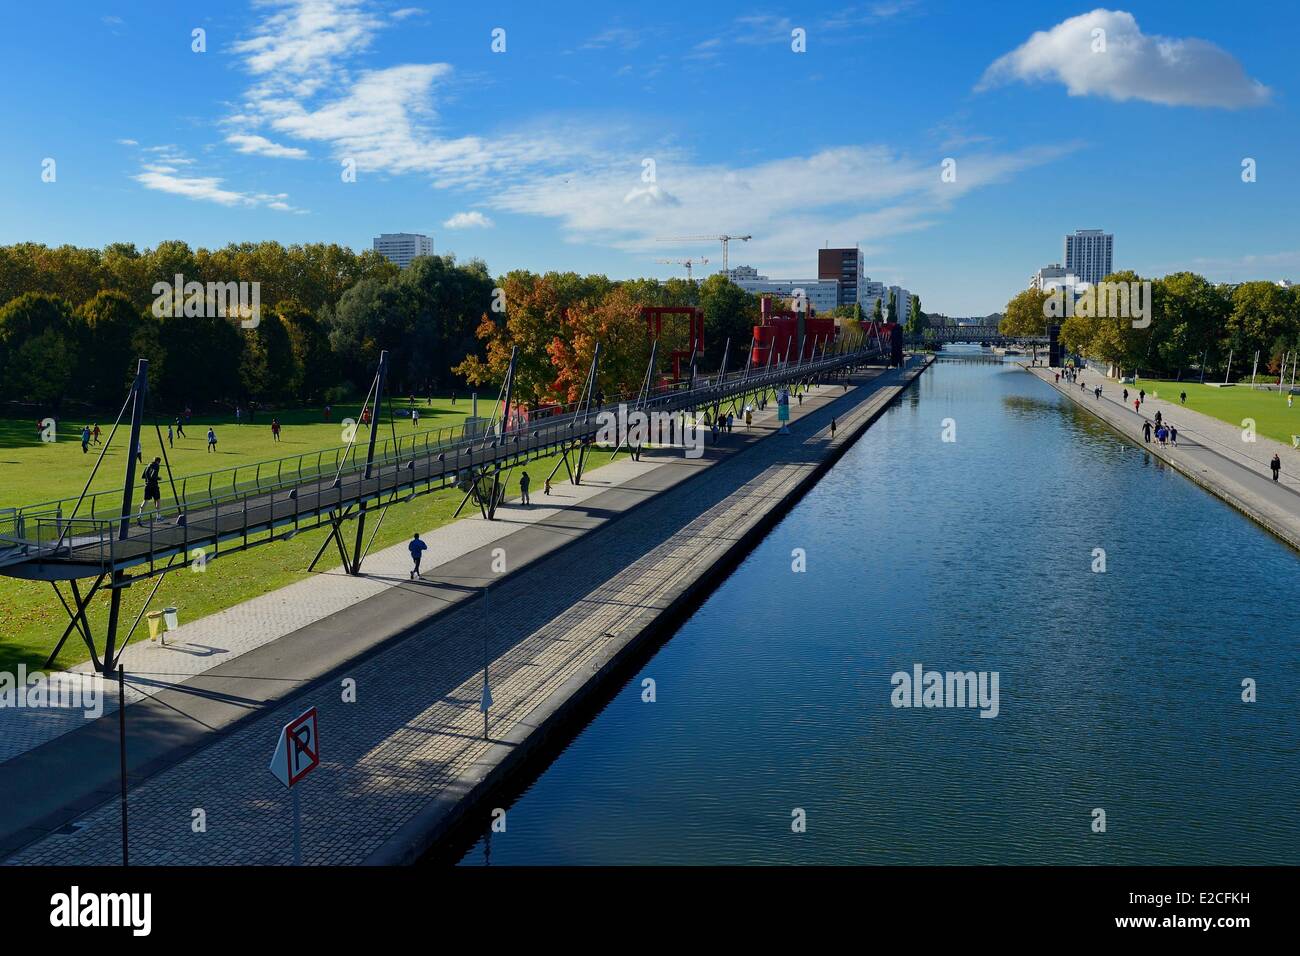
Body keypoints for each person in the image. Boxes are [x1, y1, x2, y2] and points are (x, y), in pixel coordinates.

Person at [137, 456, 162, 522]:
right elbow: (153, 476)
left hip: (147, 485)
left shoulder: (148, 466)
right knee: (157, 500)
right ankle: (158, 516)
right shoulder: (156, 466)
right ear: (158, 462)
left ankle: (139, 515)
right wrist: (158, 478)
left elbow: (143, 476)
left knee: (145, 500)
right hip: (154, 486)